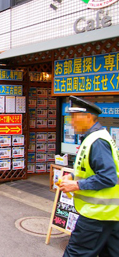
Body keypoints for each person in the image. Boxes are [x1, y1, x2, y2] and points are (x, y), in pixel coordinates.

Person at [60, 96, 119, 257]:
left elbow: (108, 177)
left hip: (96, 215)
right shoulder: (95, 137)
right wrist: (72, 176)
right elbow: (89, 169)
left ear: (87, 117)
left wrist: (76, 185)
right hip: (109, 214)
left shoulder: (97, 141)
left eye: (74, 117)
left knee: (75, 254)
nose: (71, 122)